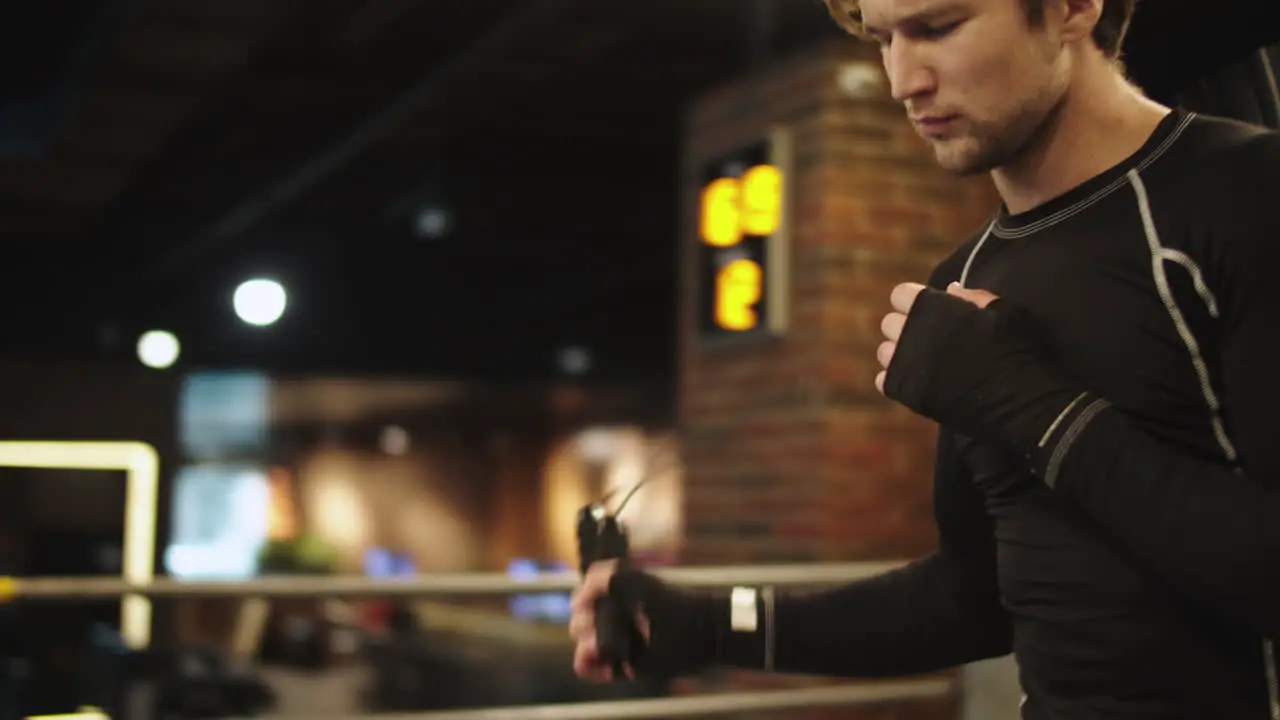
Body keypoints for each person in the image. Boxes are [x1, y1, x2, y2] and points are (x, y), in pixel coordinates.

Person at [569, 0, 1280, 717]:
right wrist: (706, 624)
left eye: (937, 28)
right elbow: (970, 598)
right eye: (883, 41)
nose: (903, 79)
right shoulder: (965, 277)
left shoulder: (1246, 193)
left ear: (1071, 9)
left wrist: (1032, 406)